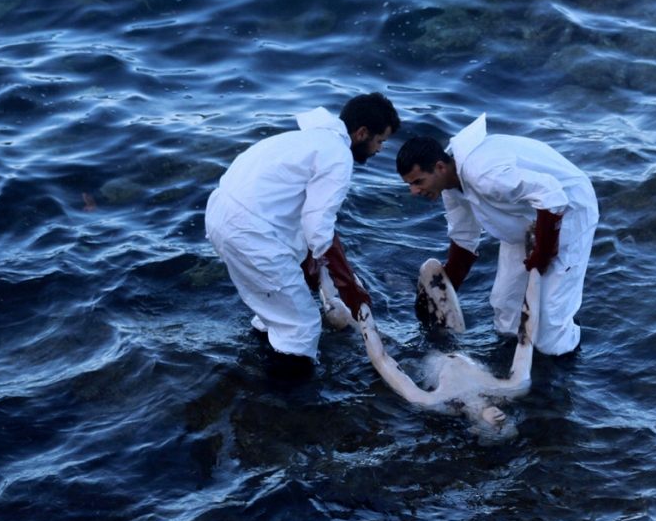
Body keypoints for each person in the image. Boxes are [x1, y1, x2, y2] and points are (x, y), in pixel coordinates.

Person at [205, 92, 400, 376]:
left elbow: (301, 217)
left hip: (220, 216)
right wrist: (349, 287)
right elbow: (319, 226)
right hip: (250, 232)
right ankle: (285, 397)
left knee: (276, 311)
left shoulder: (303, 140)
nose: (380, 150)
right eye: (380, 141)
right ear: (362, 133)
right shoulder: (338, 155)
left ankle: (254, 373)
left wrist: (312, 264)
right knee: (302, 327)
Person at [396, 114, 598, 356]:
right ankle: (515, 362)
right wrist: (438, 294)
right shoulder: (450, 186)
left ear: (440, 167)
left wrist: (543, 254)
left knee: (550, 335)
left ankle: (569, 354)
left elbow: (552, 196)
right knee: (506, 316)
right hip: (526, 217)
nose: (414, 191)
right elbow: (463, 240)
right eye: (410, 185)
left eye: (418, 181)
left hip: (568, 209)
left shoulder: (483, 174)